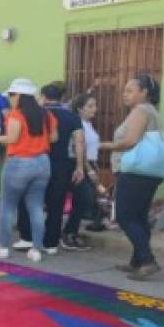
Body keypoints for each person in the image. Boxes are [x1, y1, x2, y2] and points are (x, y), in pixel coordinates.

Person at [100, 74, 164, 280]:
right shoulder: (151, 111)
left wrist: (104, 145)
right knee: (138, 216)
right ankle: (138, 260)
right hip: (147, 172)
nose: (125, 95)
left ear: (144, 92)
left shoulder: (141, 110)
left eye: (130, 91)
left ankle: (147, 260)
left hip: (135, 171)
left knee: (125, 215)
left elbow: (130, 141)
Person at [0, 79, 57, 261]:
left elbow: (12, 138)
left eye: (11, 95)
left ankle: (2, 247)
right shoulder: (46, 115)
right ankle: (37, 249)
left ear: (19, 96)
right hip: (42, 162)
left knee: (8, 207)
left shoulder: (16, 115)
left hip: (19, 163)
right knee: (36, 207)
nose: (10, 99)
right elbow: (54, 138)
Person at [22, 82, 83, 255]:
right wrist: (79, 166)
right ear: (62, 97)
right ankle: (51, 243)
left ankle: (31, 238)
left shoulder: (35, 115)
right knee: (56, 204)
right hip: (61, 165)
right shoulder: (71, 116)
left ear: (43, 96)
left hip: (36, 161)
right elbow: (79, 142)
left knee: (33, 202)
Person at [65, 92, 104, 245]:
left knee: (84, 201)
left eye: (94, 106)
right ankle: (69, 233)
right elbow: (77, 147)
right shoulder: (78, 124)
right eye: (90, 106)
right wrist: (89, 169)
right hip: (82, 164)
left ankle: (75, 230)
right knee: (82, 199)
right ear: (80, 109)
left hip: (91, 163)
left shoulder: (89, 124)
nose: (94, 109)